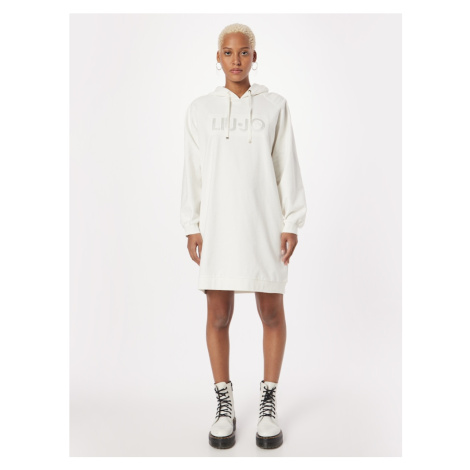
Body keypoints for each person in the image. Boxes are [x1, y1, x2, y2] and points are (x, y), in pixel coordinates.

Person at [180, 23, 307, 450]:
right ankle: (224, 403)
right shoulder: (200, 110)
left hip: (264, 223)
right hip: (218, 225)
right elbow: (193, 171)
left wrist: (291, 222)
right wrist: (191, 225)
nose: (236, 60)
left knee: (271, 311)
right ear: (217, 58)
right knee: (218, 315)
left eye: (244, 52)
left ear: (255, 56)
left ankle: (268, 400)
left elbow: (286, 165)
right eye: (228, 52)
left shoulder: (275, 106)